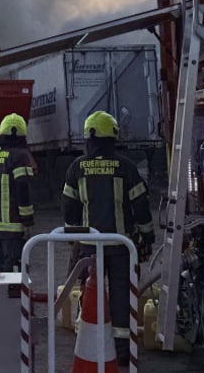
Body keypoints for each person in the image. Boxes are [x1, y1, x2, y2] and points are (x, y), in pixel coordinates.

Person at [62, 110, 153, 364]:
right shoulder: (126, 167)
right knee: (121, 295)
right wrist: (147, 235)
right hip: (120, 246)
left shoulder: (76, 168)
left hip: (88, 246)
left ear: (88, 138)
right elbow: (140, 205)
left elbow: (69, 206)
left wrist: (72, 234)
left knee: (89, 292)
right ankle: (121, 353)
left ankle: (87, 346)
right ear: (112, 137)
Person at [0, 113, 36, 273]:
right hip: (13, 227)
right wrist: (27, 221)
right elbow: (23, 188)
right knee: (14, 272)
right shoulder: (20, 156)